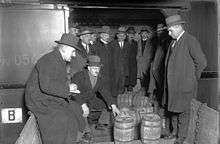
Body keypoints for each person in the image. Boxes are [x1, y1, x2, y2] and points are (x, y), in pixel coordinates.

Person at [25, 33, 87, 144]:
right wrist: (67, 89)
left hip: (47, 97)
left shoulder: (58, 59)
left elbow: (56, 83)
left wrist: (69, 87)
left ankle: (74, 139)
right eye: (73, 51)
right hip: (38, 100)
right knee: (60, 117)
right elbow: (46, 86)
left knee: (75, 109)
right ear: (65, 49)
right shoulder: (49, 60)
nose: (74, 55)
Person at [163, 14, 207, 144]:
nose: (169, 33)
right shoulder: (173, 42)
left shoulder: (190, 40)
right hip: (172, 85)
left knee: (183, 111)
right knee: (172, 109)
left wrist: (193, 79)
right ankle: (174, 132)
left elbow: (202, 62)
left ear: (177, 27)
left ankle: (181, 137)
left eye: (170, 30)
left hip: (184, 85)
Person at [71, 55, 120, 128]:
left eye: (98, 68)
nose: (96, 70)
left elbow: (105, 91)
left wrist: (113, 105)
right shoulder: (78, 76)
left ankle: (100, 123)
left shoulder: (99, 78)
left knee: (108, 104)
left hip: (90, 98)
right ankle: (85, 132)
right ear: (88, 68)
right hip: (77, 99)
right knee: (82, 112)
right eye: (94, 68)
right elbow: (74, 94)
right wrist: (83, 105)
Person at [91, 26, 115, 97]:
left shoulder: (110, 46)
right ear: (101, 35)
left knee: (108, 91)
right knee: (100, 90)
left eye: (108, 35)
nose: (107, 36)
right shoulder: (95, 46)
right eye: (105, 34)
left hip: (109, 73)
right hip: (100, 72)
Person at [111, 26, 131, 96]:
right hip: (115, 69)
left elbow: (128, 58)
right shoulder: (112, 44)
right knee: (114, 85)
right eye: (120, 35)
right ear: (117, 36)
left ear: (125, 36)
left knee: (122, 85)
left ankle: (120, 99)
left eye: (123, 35)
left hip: (124, 69)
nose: (121, 37)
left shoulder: (128, 45)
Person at [137, 26, 155, 94]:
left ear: (148, 34)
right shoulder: (137, 42)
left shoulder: (151, 43)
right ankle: (143, 90)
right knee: (141, 78)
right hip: (140, 64)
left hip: (148, 64)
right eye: (142, 33)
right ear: (140, 34)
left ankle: (148, 92)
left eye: (145, 33)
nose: (144, 34)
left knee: (148, 78)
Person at [126, 26, 138, 91]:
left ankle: (130, 86)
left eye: (133, 34)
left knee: (132, 75)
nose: (132, 35)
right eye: (130, 33)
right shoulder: (124, 42)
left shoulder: (135, 43)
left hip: (133, 62)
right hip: (126, 62)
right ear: (127, 34)